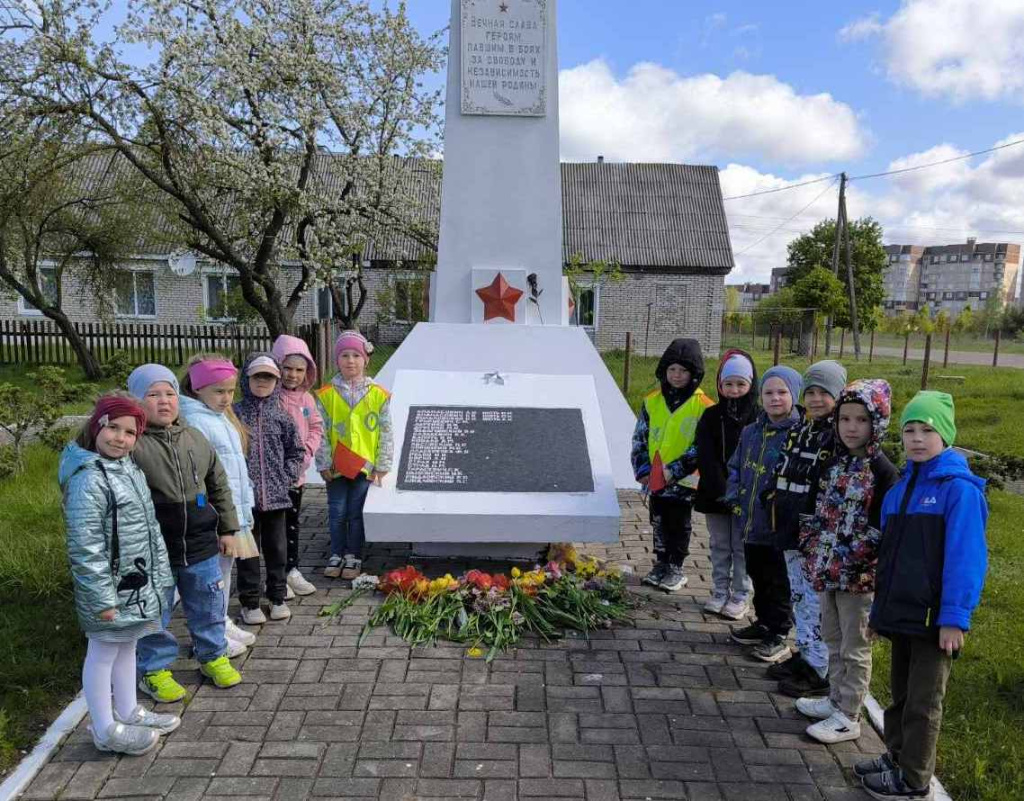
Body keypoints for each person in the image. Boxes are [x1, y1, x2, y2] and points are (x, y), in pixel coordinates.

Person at [858, 391, 987, 800]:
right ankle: (896, 756)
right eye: (909, 429)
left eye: (927, 430)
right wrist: (879, 615)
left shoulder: (957, 490)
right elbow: (889, 561)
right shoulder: (899, 490)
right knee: (900, 695)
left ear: (945, 435)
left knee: (923, 703)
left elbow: (966, 558)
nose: (916, 438)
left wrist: (954, 617)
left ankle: (914, 780)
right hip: (901, 614)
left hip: (935, 621)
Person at [60, 393, 180, 755]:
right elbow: (86, 548)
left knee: (129, 644)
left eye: (130, 432)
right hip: (109, 591)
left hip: (135, 586)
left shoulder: (128, 468)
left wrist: (160, 580)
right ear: (97, 426)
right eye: (112, 427)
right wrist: (102, 599)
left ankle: (128, 710)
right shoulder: (88, 479)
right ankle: (104, 728)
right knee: (103, 651)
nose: (120, 438)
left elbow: (150, 530)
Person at [128, 364, 243, 702]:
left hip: (201, 543)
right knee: (155, 612)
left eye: (169, 394)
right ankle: (153, 670)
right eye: (153, 395)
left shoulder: (193, 437)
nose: (164, 401)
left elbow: (218, 484)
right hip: (154, 549)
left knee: (208, 603)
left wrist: (229, 528)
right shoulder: (132, 442)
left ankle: (212, 656)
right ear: (136, 400)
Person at [795, 379, 898, 744]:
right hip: (826, 573)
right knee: (832, 638)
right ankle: (835, 699)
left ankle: (849, 715)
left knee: (855, 647)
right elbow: (816, 510)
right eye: (844, 419)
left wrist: (850, 561)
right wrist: (811, 546)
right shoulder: (834, 463)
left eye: (861, 420)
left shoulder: (883, 472)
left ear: (877, 424)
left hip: (858, 580)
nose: (851, 428)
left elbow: (878, 530)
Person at [765, 360, 848, 697]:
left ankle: (820, 667)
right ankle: (806, 652)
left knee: (816, 600)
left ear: (839, 395)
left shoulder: (838, 435)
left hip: (817, 533)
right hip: (789, 525)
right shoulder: (802, 429)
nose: (815, 399)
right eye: (810, 392)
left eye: (823, 393)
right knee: (798, 594)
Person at [178, 354, 259, 655]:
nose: (227, 398)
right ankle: (211, 633)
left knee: (224, 572)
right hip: (214, 514)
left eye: (231, 391)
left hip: (233, 509)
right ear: (198, 389)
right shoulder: (197, 421)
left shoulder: (219, 417)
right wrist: (211, 512)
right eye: (219, 391)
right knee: (212, 577)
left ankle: (220, 621)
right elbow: (201, 475)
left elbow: (236, 467)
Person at [726, 365, 803, 663]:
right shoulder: (751, 431)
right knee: (756, 573)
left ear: (794, 395)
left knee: (777, 579)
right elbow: (735, 465)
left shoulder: (798, 435)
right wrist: (734, 496)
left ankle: (780, 632)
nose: (775, 399)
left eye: (782, 392)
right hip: (749, 521)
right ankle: (764, 622)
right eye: (768, 392)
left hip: (777, 526)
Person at [631, 338, 715, 592]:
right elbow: (640, 438)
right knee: (658, 520)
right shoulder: (652, 401)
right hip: (655, 480)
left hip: (684, 481)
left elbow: (701, 447)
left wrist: (675, 471)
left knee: (679, 523)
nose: (677, 376)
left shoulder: (704, 406)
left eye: (683, 371)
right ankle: (661, 561)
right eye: (672, 370)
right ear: (664, 371)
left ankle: (676, 565)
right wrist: (643, 470)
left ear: (694, 374)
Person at [233, 353, 306, 623]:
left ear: (276, 381)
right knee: (247, 552)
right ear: (247, 379)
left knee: (277, 549)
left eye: (268, 377)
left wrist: (286, 477)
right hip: (245, 499)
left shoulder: (283, 416)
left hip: (277, 498)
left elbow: (296, 451)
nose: (262, 382)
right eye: (257, 377)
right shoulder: (236, 414)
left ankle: (276, 595)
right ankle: (250, 602)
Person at [315, 330, 393, 580]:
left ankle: (354, 555)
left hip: (364, 466)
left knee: (356, 512)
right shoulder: (326, 394)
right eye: (345, 355)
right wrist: (323, 461)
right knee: (337, 510)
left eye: (356, 355)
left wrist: (382, 464)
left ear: (366, 359)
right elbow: (320, 430)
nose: (350, 361)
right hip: (336, 466)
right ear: (337, 360)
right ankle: (336, 553)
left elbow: (386, 430)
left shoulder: (378, 394)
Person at [694, 349, 758, 618]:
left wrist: (742, 490)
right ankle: (719, 590)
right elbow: (705, 454)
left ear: (750, 385)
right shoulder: (710, 416)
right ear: (720, 385)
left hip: (746, 495)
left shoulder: (758, 416)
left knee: (741, 546)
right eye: (728, 384)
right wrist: (721, 488)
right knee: (720, 544)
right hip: (715, 492)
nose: (734, 390)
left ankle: (741, 594)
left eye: (740, 384)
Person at [271, 334, 325, 599]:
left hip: (297, 476)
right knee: (274, 527)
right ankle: (277, 573)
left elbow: (316, 426)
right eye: (287, 368)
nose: (293, 375)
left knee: (292, 524)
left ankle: (292, 569)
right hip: (273, 476)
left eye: (299, 369)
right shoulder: (271, 397)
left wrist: (308, 452)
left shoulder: (307, 399)